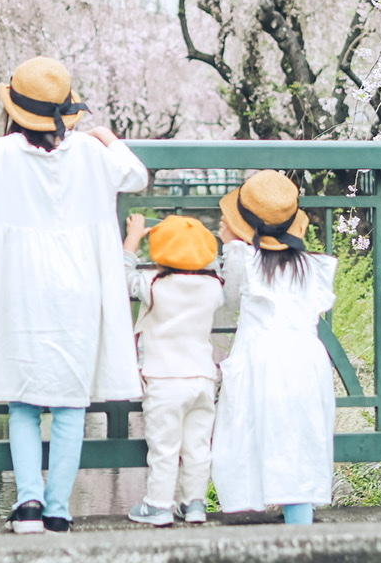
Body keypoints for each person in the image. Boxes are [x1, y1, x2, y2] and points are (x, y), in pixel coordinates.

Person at [0, 56, 148, 535]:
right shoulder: (91, 155)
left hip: (20, 292)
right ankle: (59, 509)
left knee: (23, 401)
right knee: (71, 403)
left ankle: (27, 504)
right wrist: (108, 137)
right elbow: (136, 176)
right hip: (79, 293)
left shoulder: (2, 153)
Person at [210, 169, 337, 526]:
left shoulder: (242, 259)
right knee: (300, 436)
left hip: (261, 357)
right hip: (305, 358)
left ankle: (249, 512)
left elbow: (231, 297)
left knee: (250, 433)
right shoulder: (313, 265)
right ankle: (300, 520)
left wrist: (230, 244)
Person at [121, 213, 223, 527]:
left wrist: (134, 237)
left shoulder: (152, 283)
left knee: (164, 447)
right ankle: (194, 504)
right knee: (197, 446)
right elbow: (213, 265)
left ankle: (158, 505)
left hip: (164, 378)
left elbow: (120, 274)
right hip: (203, 378)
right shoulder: (213, 287)